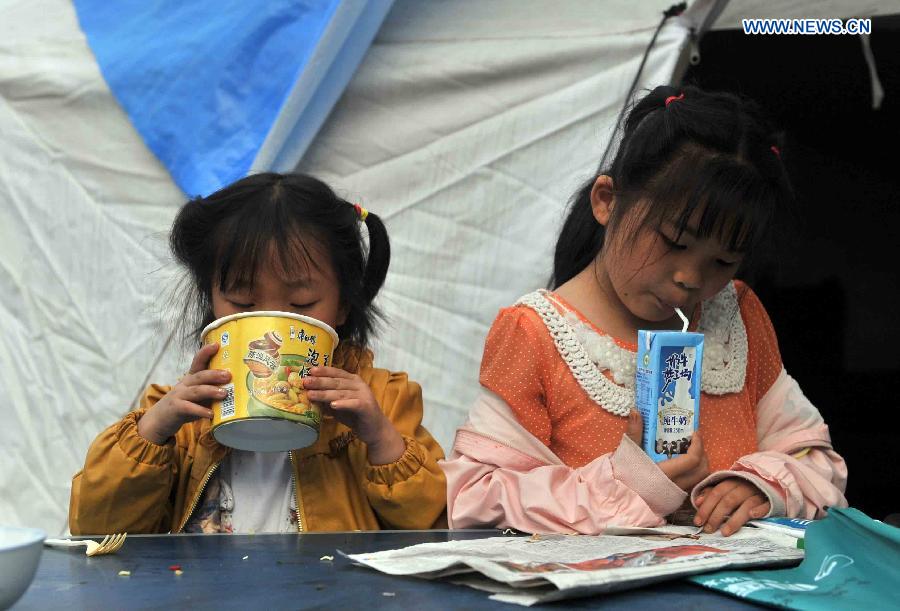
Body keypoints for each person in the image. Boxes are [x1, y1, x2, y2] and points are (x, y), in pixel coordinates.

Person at [441, 85, 847, 536]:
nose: (692, 279)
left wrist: (763, 486)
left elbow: (813, 458)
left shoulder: (735, 318)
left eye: (723, 261)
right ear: (607, 201)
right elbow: (477, 497)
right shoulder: (536, 333)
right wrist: (627, 486)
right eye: (675, 242)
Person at [69, 173, 446, 534]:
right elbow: (95, 529)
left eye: (301, 303)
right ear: (211, 299)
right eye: (242, 302)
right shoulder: (178, 419)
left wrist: (380, 439)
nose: (270, 327)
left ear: (344, 305)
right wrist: (153, 431)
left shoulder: (383, 402)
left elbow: (437, 527)